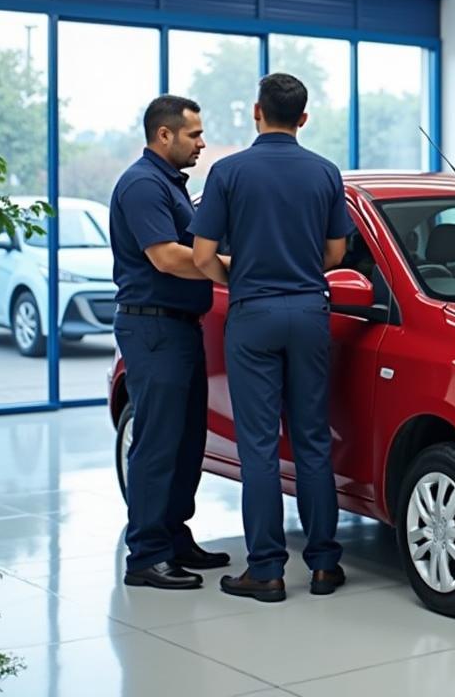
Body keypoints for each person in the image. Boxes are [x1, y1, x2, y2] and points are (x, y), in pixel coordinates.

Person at [190, 73, 352, 603]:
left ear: (256, 111)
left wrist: (236, 278)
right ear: (303, 118)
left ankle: (266, 569)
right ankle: (326, 565)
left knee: (258, 446)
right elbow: (335, 256)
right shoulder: (326, 173)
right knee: (311, 440)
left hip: (253, 313)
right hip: (310, 312)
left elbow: (200, 254)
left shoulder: (228, 171)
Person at [110, 95, 231, 590]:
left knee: (185, 443)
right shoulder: (142, 185)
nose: (202, 143)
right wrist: (236, 271)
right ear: (164, 135)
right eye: (194, 134)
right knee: (158, 444)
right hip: (153, 327)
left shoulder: (170, 185)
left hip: (179, 326)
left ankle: (174, 538)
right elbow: (166, 257)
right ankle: (146, 556)